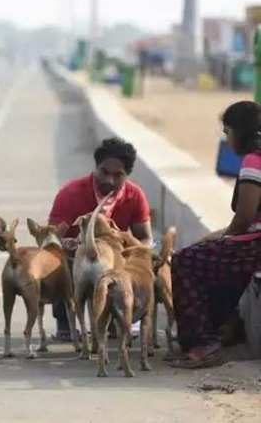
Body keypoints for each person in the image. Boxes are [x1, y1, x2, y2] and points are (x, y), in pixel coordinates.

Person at [169, 101, 261, 368]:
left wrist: (224, 238)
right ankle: (225, 329)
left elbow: (244, 218)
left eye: (227, 131)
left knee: (185, 261)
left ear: (238, 131)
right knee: (208, 256)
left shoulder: (254, 161)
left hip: (255, 245)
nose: (227, 138)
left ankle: (202, 344)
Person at [48, 137, 153, 340]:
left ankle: (123, 319)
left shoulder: (134, 196)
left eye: (118, 175)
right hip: (75, 260)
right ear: (96, 167)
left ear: (127, 175)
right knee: (54, 259)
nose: (109, 181)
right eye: (104, 172)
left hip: (117, 262)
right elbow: (51, 239)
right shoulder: (70, 194)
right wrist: (66, 244)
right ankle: (65, 322)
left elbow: (145, 238)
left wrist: (135, 256)